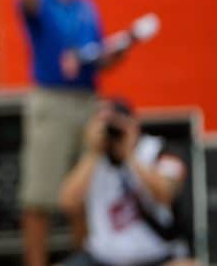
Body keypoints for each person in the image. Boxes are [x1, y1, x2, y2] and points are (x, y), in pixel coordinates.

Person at [18, 0, 136, 266]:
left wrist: (112, 56)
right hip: (52, 100)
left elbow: (93, 58)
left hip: (85, 99)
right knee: (39, 197)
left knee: (85, 194)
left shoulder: (86, 6)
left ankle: (86, 261)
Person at [59, 100, 195, 266]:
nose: (112, 134)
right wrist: (93, 153)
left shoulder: (158, 150)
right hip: (102, 259)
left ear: (134, 125)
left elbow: (165, 193)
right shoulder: (91, 159)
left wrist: (129, 155)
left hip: (156, 256)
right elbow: (67, 203)